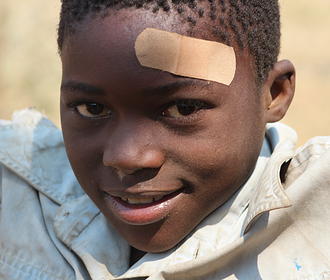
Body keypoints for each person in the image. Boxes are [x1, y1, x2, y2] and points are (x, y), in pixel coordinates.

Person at [0, 0, 329, 279]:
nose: (126, 157)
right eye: (93, 108)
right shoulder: (16, 195)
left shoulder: (318, 228)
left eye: (183, 108)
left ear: (273, 94)